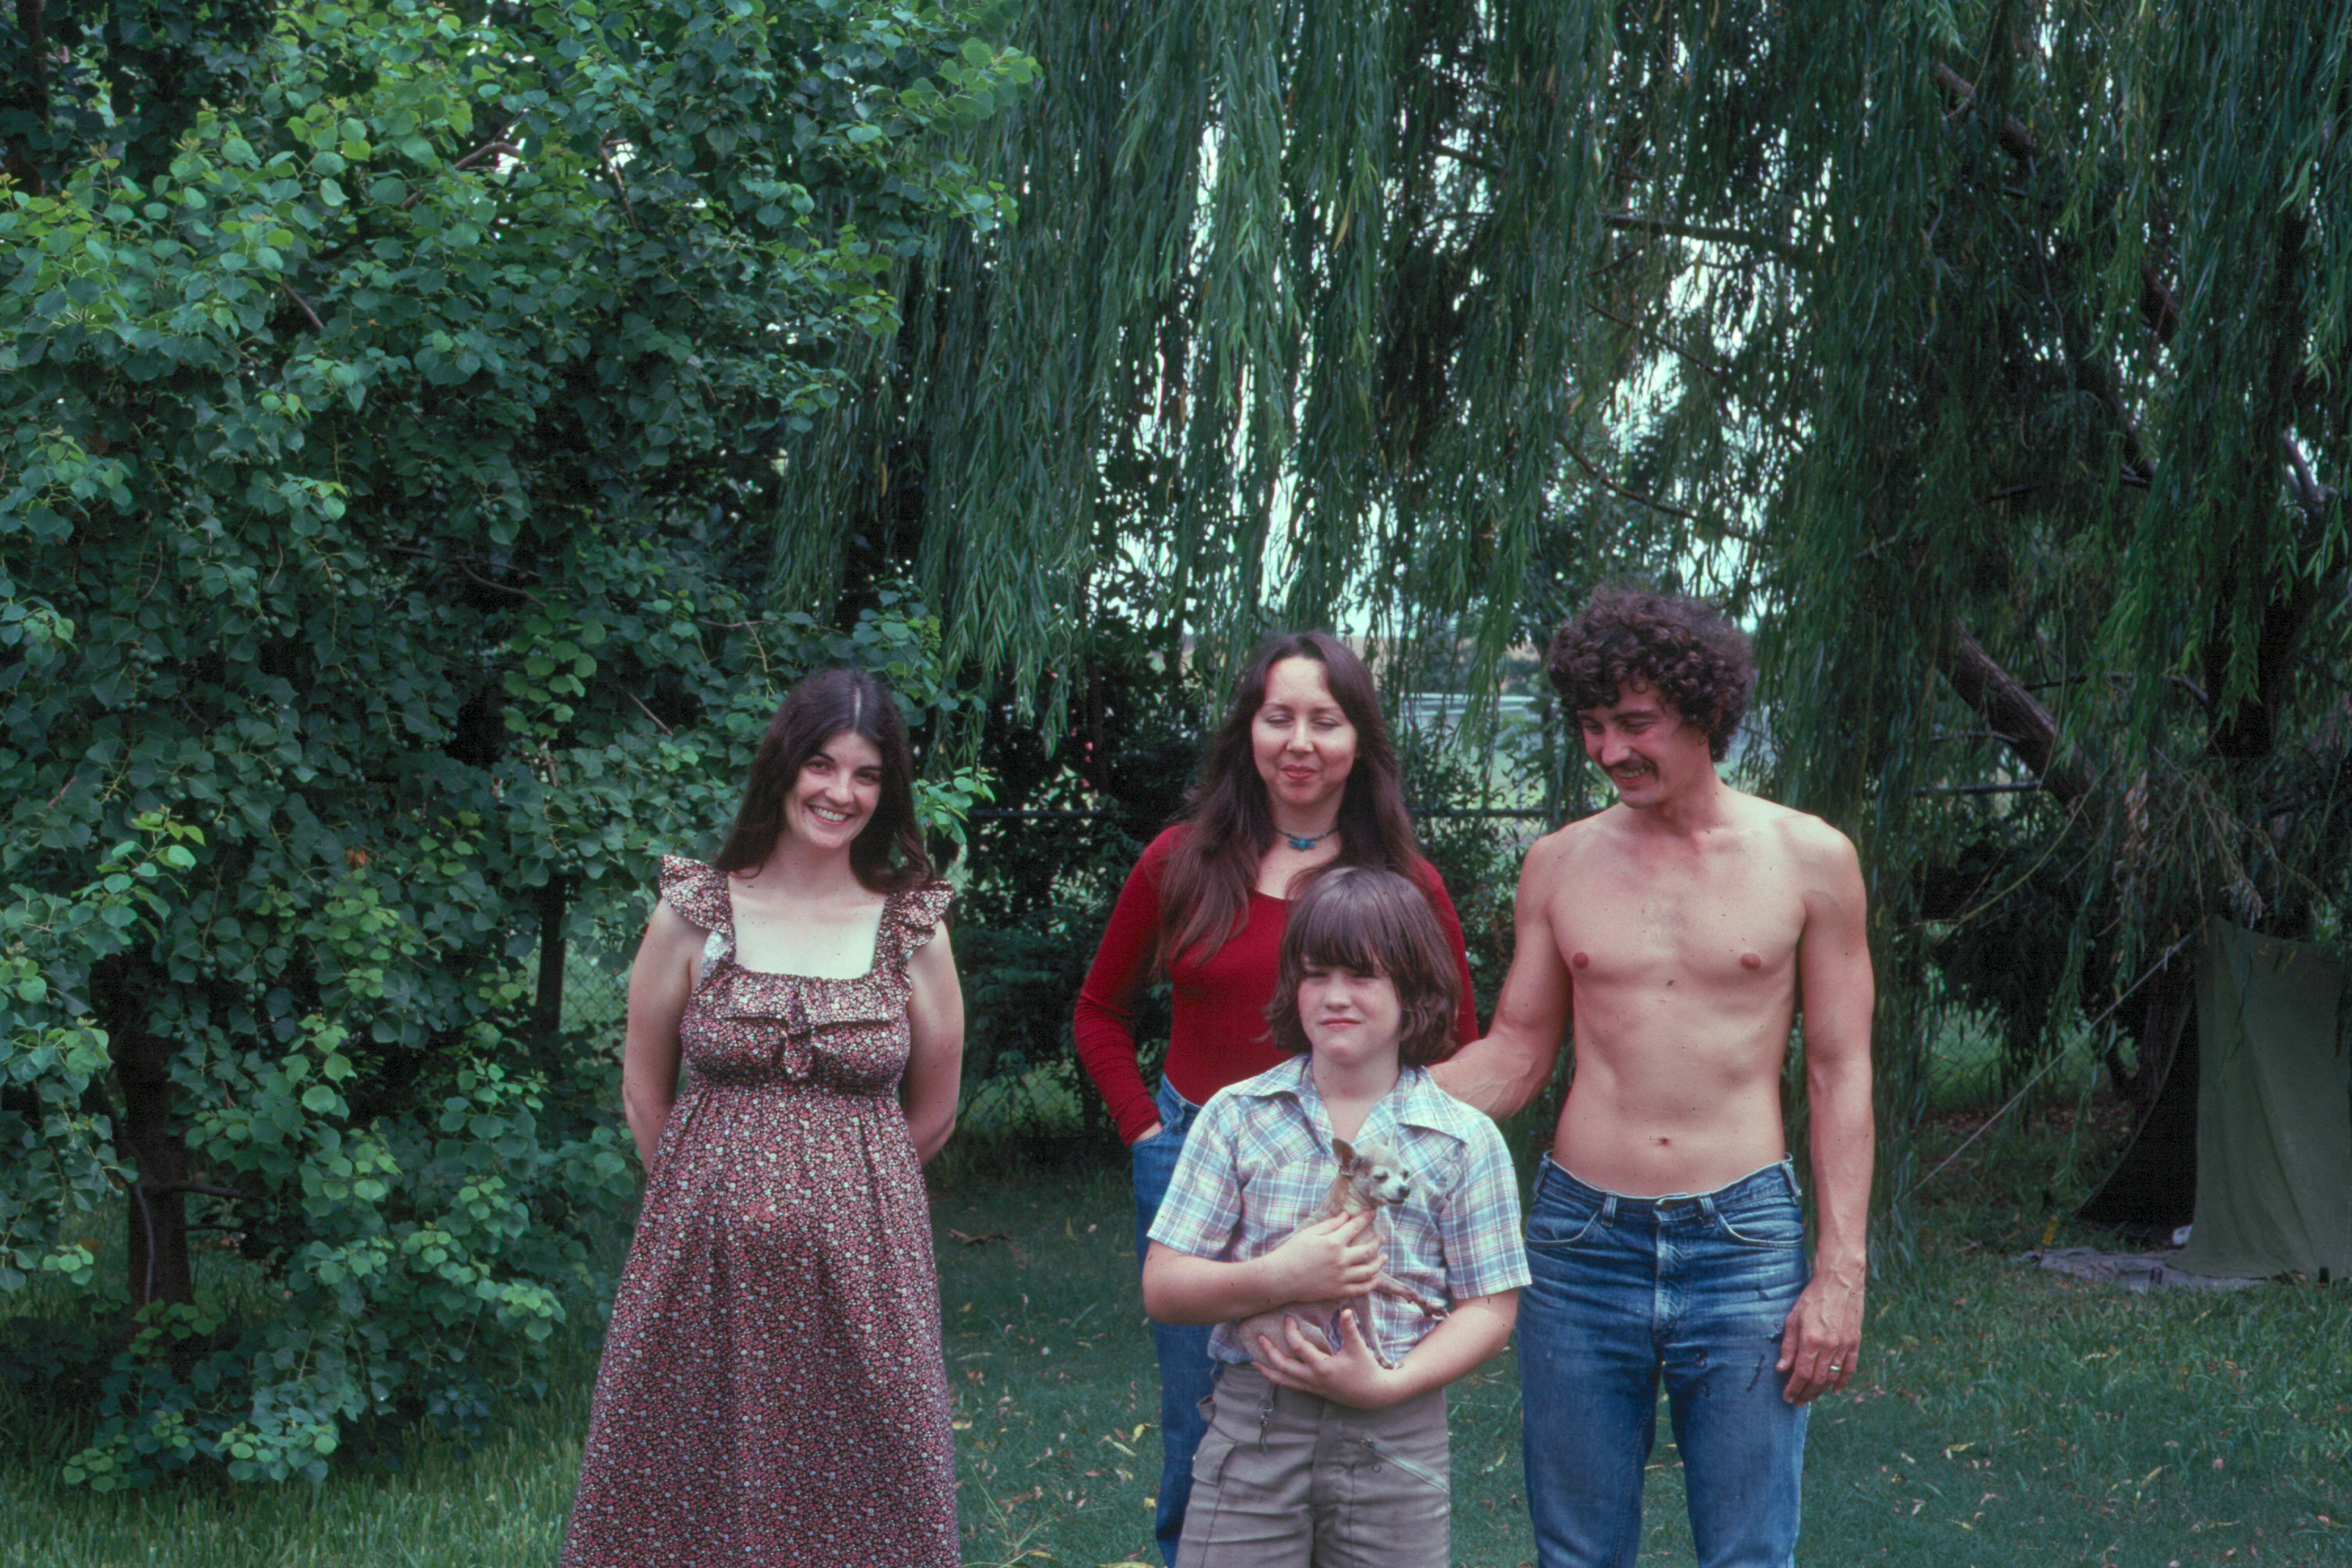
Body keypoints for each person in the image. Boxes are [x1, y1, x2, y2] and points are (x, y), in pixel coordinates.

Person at [1434, 589, 1875, 1568]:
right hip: (1579, 1242)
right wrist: (1378, 1105)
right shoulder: (1558, 863)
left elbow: (1841, 1070)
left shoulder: (1811, 859)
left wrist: (1839, 1273)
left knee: (1749, 1552)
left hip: (1744, 1240)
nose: (1609, 749)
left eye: (1633, 722)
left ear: (1705, 709)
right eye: (1592, 725)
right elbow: (1516, 1051)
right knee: (1578, 1554)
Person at [1073, 631, 1483, 1564]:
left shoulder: (1404, 884)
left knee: (1345, 1410)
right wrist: (1149, 1133)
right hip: (1198, 1163)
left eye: (1325, 720)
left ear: (1359, 740)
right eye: (1278, 717)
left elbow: (1452, 1040)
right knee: (1205, 1417)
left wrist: (1390, 1157)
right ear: (1247, 731)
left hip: (1353, 1179)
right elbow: (1099, 1011)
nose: (1300, 742)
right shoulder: (1179, 861)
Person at [562, 668, 965, 1568]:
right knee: (685, 1482)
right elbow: (643, 1091)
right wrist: (710, 1200)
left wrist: (848, 1204)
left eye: (867, 774)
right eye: (822, 764)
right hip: (700, 1268)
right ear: (783, 764)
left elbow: (934, 1114)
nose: (841, 791)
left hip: (867, 1275)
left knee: (876, 1476)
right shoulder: (694, 911)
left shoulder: (913, 928)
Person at [1140, 866, 1528, 1566]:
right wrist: (1280, 1277)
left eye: (1363, 976)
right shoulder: (1237, 1116)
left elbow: (1491, 1308)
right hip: (1256, 1426)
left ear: (1413, 991)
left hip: (1395, 1433)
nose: (1336, 996)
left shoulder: (1463, 1139)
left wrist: (1389, 1385)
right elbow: (1165, 1288)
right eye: (1316, 975)